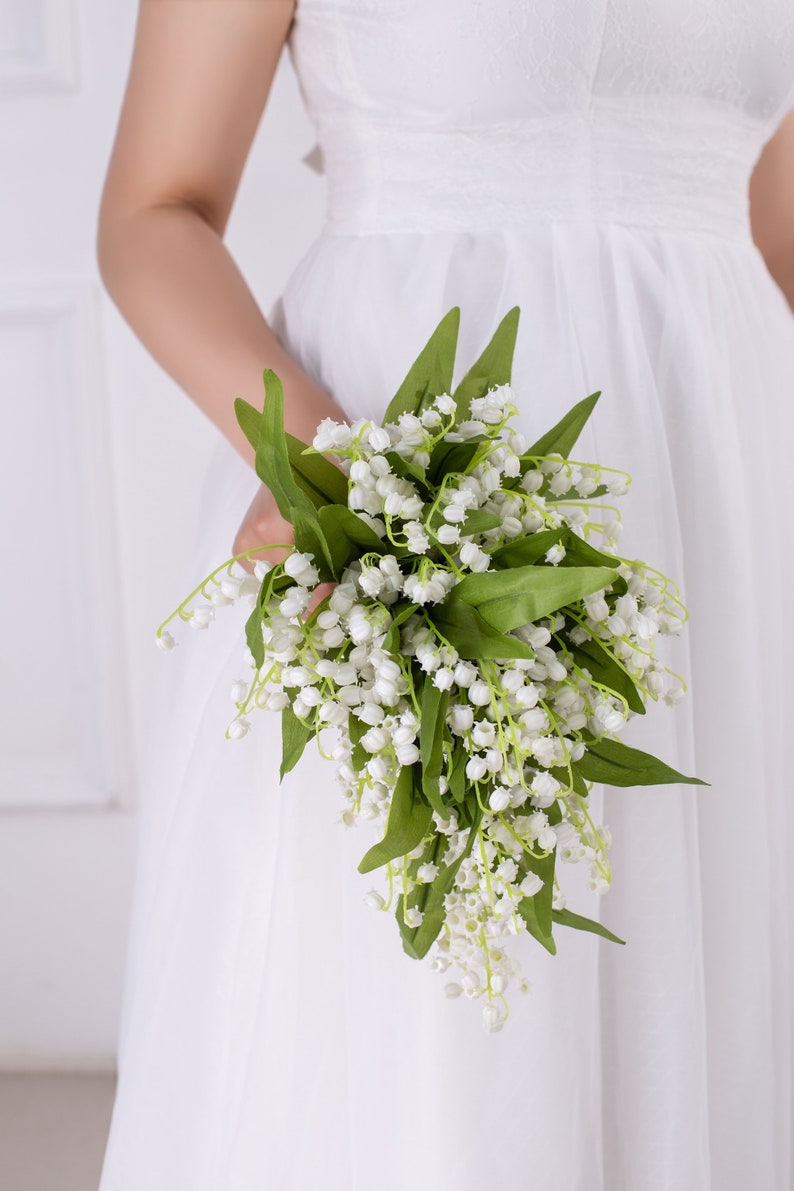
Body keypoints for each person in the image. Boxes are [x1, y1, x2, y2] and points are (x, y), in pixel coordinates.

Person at [95, 3, 794, 1189]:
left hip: (717, 482)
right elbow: (152, 213)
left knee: (700, 969)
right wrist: (345, 487)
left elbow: (759, 229)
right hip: (404, 475)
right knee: (440, 1029)